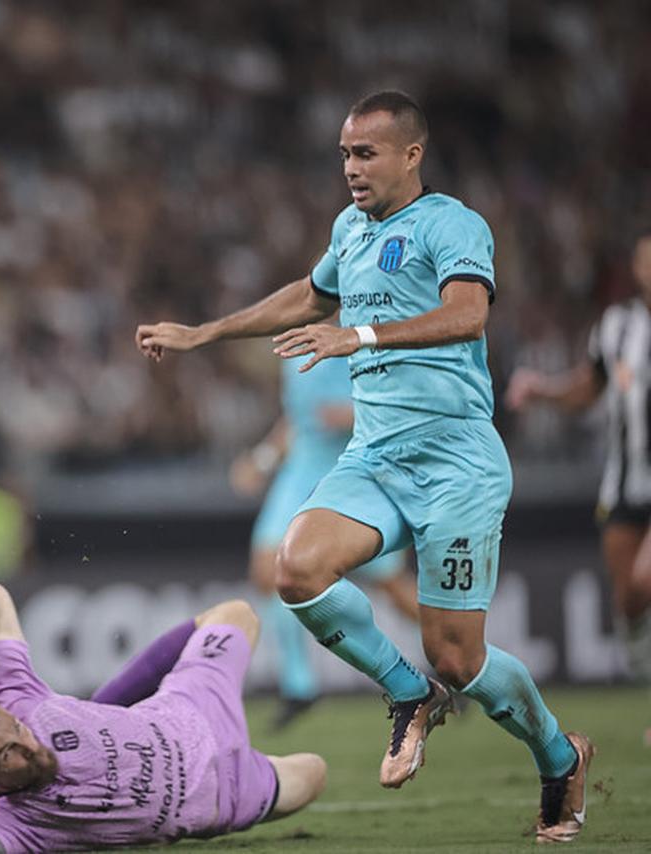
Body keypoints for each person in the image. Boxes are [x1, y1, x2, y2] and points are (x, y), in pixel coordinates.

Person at [135, 90, 592, 843]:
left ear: (412, 155)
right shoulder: (349, 228)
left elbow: (468, 314)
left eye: (366, 153)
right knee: (296, 570)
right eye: (345, 154)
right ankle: (407, 694)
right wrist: (203, 333)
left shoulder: (452, 223)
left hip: (455, 461)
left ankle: (557, 755)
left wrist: (364, 336)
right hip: (376, 457)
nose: (351, 168)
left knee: (460, 654)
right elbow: (311, 296)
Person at [0, 580, 327, 853]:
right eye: (8, 755)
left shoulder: (17, 700)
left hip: (189, 703)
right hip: (226, 795)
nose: (29, 745)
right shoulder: (15, 824)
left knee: (236, 613)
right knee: (314, 773)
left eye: (17, 732)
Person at [233, 355, 420, 730]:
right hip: (300, 473)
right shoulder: (294, 349)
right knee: (266, 568)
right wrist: (264, 459)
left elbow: (399, 406)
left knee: (391, 585)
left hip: (351, 474)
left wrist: (350, 415)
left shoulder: (359, 336)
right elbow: (298, 420)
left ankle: (453, 660)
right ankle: (300, 685)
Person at [507, 229, 651, 682]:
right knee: (628, 597)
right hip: (624, 483)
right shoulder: (617, 325)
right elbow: (589, 388)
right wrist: (543, 391)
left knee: (646, 580)